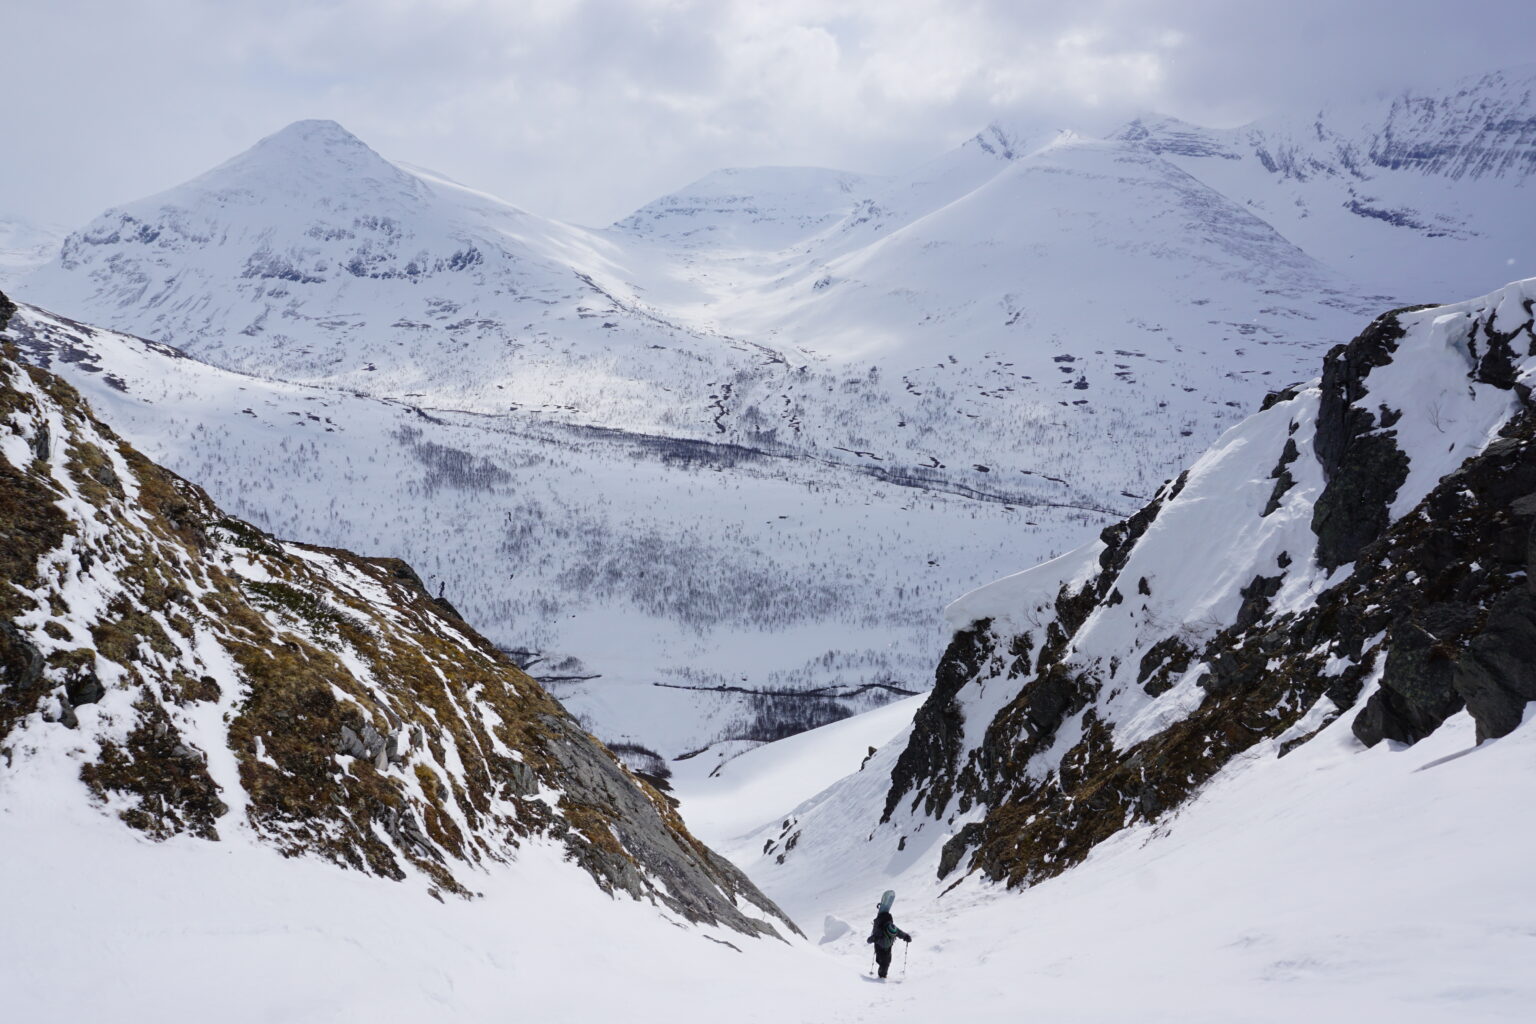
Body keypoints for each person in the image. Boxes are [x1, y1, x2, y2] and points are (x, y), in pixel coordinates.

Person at [866, 903, 912, 978]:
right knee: (882, 962)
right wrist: (873, 939)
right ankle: (881, 977)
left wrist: (906, 936)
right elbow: (869, 940)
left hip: (888, 947)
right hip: (879, 947)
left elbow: (899, 933)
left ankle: (882, 975)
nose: (893, 936)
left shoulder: (893, 929)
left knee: (887, 962)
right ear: (886, 932)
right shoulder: (879, 933)